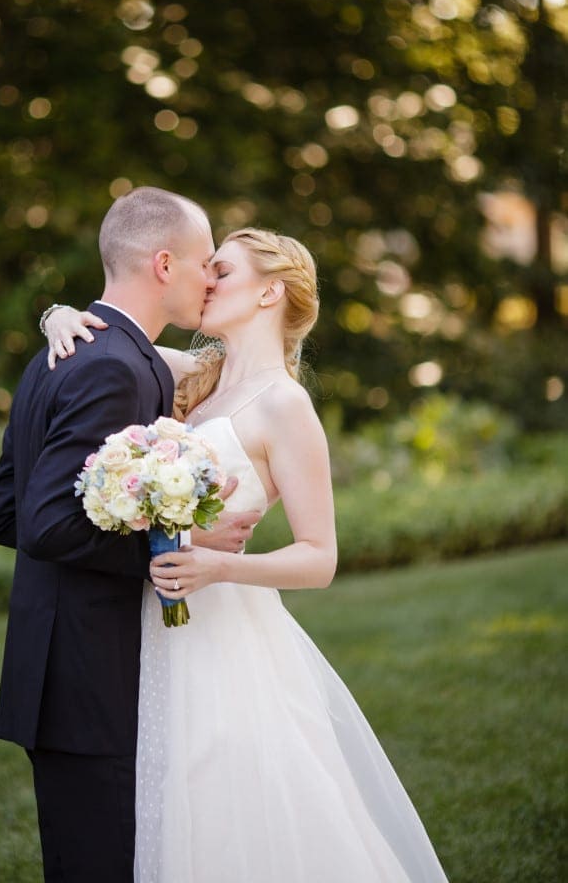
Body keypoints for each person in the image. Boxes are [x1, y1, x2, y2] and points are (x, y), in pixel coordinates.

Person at [45, 227, 450, 882]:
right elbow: (115, 339)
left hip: (226, 629)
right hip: (153, 623)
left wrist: (221, 566)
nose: (205, 282)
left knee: (224, 795)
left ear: (270, 291)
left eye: (221, 271)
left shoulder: (285, 405)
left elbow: (319, 557)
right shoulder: (195, 377)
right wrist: (58, 316)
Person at [0, 187, 260, 883]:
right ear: (164, 264)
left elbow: (5, 513)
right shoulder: (112, 364)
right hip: (88, 677)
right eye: (205, 263)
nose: (210, 278)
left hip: (58, 670)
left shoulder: (70, 349)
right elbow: (44, 523)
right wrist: (175, 547)